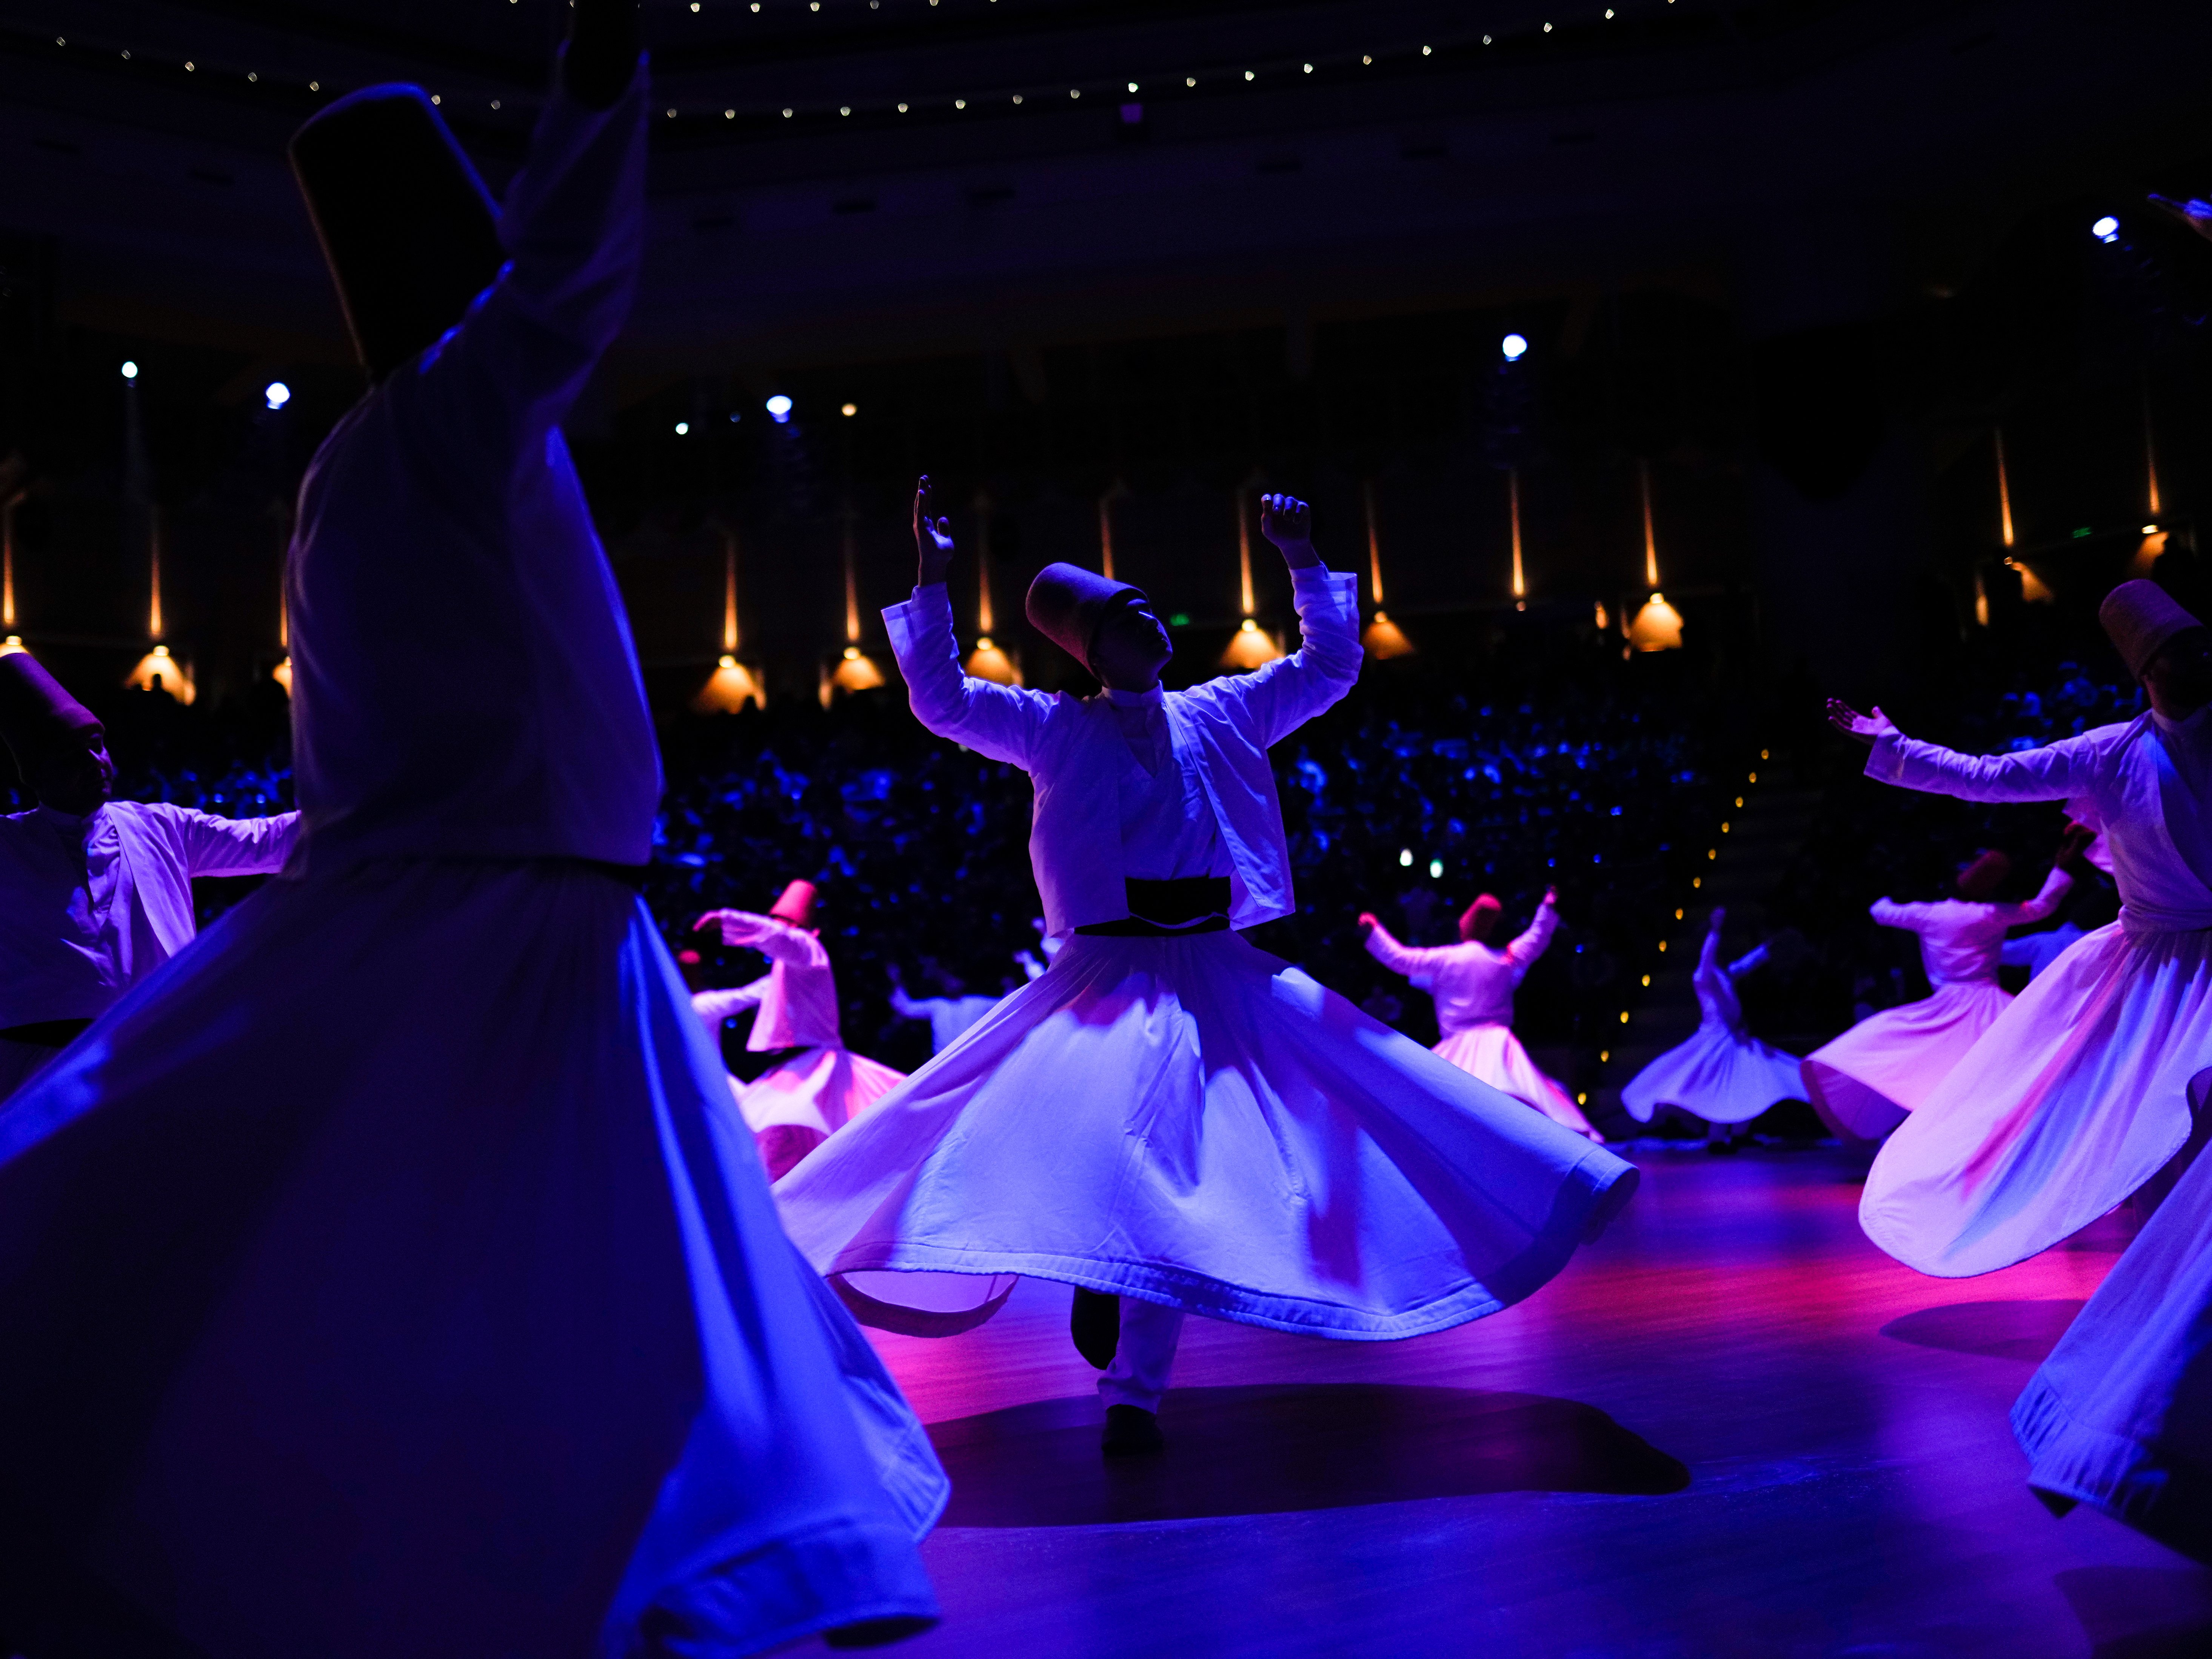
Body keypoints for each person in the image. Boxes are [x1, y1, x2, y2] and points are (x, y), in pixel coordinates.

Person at [0, 9, 945, 1654]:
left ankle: (587, 1532)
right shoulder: (454, 408)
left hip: (444, 894)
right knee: (582, 1253)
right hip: (513, 913)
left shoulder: (355, 459)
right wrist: (598, 89)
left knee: (433, 1235)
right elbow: (567, 277)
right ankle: (663, 1541)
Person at [775, 477, 1639, 1457]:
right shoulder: (1058, 727)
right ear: (1090, 647)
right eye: (1124, 612)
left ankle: (1133, 1381)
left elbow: (1330, 666)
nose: (1151, 614)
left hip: (1211, 965)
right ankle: (1102, 1297)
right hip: (1103, 977)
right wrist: (932, 571)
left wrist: (1301, 560)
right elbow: (939, 700)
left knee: (1278, 1123)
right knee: (1045, 1135)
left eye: (1146, 602)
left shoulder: (1222, 707)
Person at [1830, 578, 2212, 1277]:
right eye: (2182, 650)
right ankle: (2166, 1281)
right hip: (2160, 967)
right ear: (2148, 668)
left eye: (2202, 645)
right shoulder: (2109, 753)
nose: (2202, 659)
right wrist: (1894, 746)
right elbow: (1989, 776)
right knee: (2159, 1120)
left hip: (2186, 959)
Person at [0, 651, 298, 1102]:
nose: (96, 761)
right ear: (38, 773)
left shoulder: (160, 827)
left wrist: (366, 804)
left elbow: (264, 840)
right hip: (33, 1073)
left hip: (151, 1055)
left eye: (98, 745)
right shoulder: (7, 843)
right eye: (73, 754)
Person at [1799, 838, 2080, 1142]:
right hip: (1991, 1003)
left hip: (1949, 1004)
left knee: (1931, 1062)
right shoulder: (1990, 914)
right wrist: (2062, 869)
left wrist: (1883, 894)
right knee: (2013, 1065)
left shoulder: (1929, 914)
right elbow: (2041, 907)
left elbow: (1880, 912)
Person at [692, 880, 906, 1181]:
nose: (780, 930)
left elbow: (781, 938)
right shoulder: (787, 968)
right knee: (784, 1139)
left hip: (816, 1065)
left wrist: (730, 920)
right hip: (799, 1065)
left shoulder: (808, 949)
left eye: (786, 924)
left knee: (790, 1131)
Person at [1357, 889, 1604, 1141]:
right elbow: (1535, 939)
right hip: (1499, 1045)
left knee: (1443, 1104)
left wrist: (1375, 933)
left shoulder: (1448, 958)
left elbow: (1401, 959)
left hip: (1459, 1046)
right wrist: (1546, 910)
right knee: (1519, 1099)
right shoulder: (1504, 958)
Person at [1621, 907, 1806, 1148]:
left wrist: (1768, 948)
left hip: (1736, 1039)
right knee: (1722, 1089)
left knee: (1749, 1081)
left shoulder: (1723, 974)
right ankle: (1716, 1138)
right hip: (1717, 1040)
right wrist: (1715, 932)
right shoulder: (1702, 976)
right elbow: (1708, 959)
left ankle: (1739, 1133)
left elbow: (1746, 964)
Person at [888, 957, 1019, 1054]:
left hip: (975, 1055)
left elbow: (1008, 1003)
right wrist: (896, 981)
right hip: (944, 1060)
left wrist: (1010, 985)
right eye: (947, 981)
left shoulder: (977, 1003)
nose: (950, 983)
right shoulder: (938, 1005)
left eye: (953, 979)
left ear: (962, 982)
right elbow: (907, 1008)